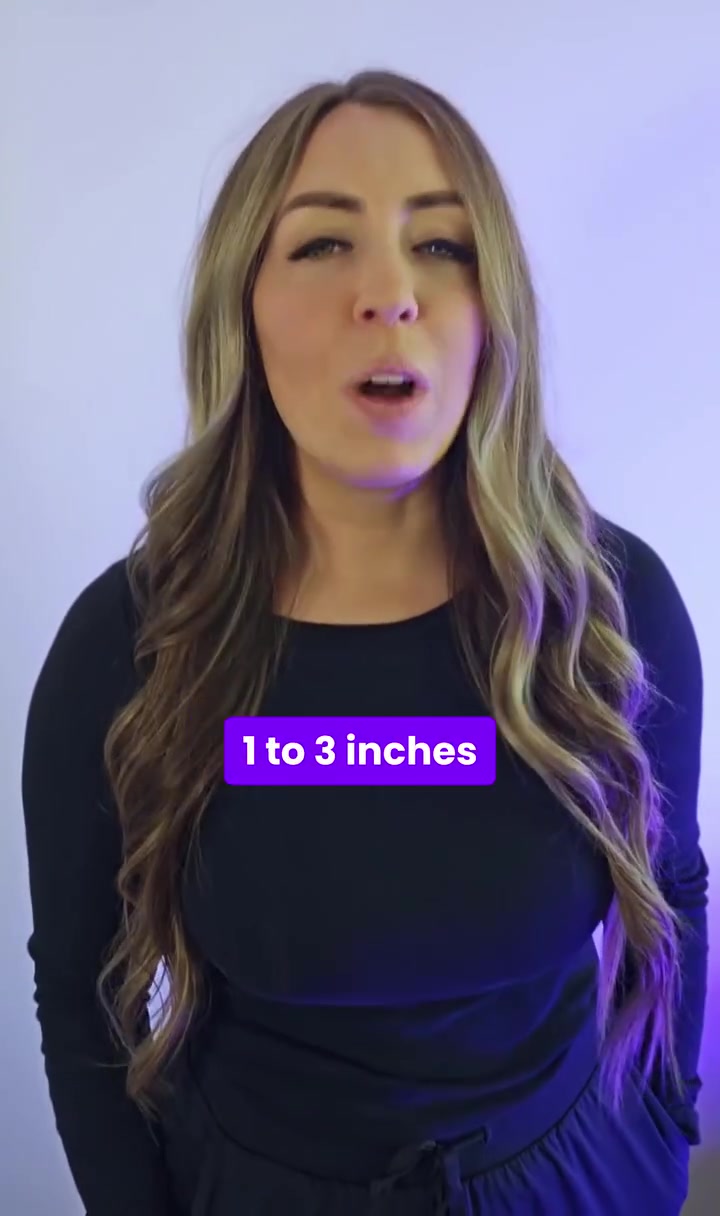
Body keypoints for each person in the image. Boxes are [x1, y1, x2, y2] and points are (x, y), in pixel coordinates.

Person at [21, 69, 707, 1216]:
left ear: (495, 310)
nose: (388, 293)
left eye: (440, 245)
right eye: (323, 243)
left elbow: (674, 890)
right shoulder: (129, 646)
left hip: (572, 1179)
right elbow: (80, 992)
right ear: (240, 304)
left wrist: (667, 1132)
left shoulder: (614, 608)